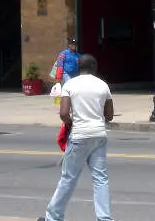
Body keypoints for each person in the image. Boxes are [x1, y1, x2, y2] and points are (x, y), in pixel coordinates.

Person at [39, 53, 114, 221]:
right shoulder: (103, 85)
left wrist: (72, 123)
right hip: (99, 135)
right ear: (94, 68)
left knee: (68, 178)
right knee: (101, 179)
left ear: (78, 68)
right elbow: (109, 115)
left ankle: (53, 217)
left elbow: (64, 113)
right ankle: (105, 218)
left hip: (79, 135)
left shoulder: (70, 85)